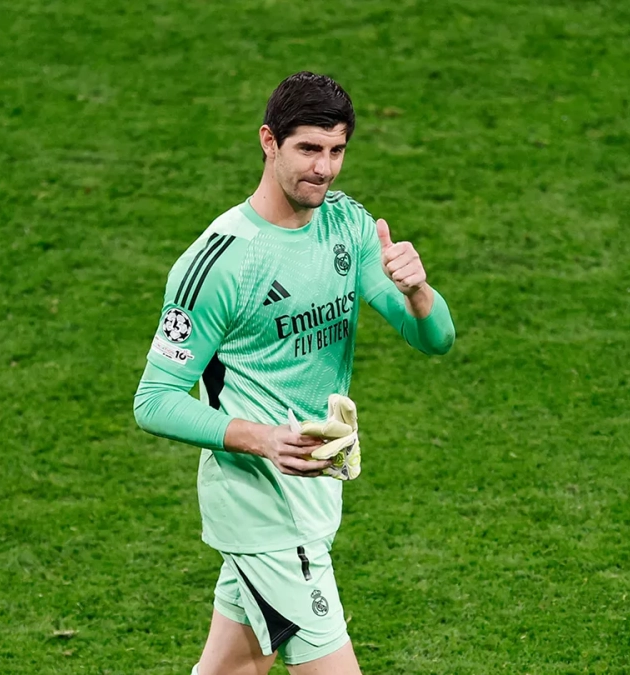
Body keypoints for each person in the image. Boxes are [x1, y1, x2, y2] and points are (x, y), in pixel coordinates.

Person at [133, 71, 456, 675]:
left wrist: (417, 292)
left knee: (232, 667)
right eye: (309, 148)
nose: (324, 168)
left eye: (336, 150)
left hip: (314, 490)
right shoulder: (221, 262)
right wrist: (263, 439)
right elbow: (154, 400)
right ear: (269, 142)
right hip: (262, 506)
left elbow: (435, 339)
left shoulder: (347, 225)